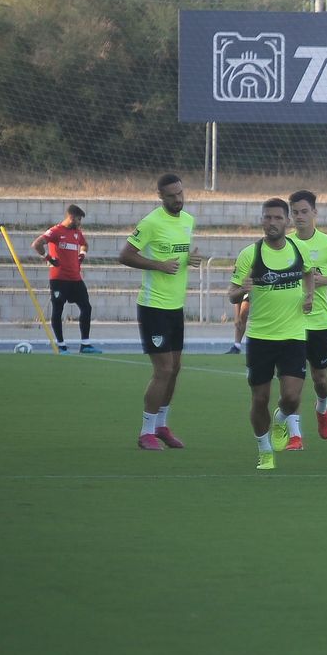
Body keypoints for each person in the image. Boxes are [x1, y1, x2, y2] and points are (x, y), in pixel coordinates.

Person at [228, 199, 316, 470]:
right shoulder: (250, 254)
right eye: (267, 218)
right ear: (261, 221)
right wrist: (243, 289)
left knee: (291, 398)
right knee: (259, 398)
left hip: (293, 335)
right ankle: (264, 449)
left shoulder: (299, 249)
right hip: (261, 337)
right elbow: (232, 295)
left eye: (278, 218)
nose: (272, 223)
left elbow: (309, 273)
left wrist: (309, 294)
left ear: (287, 221)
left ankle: (280, 421)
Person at [119, 173, 199, 450]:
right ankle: (145, 432)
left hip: (175, 307)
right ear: (160, 197)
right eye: (171, 196)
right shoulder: (151, 222)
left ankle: (161, 426)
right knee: (163, 369)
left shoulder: (188, 221)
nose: (178, 199)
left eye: (180, 193)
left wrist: (191, 259)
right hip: (154, 307)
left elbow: (178, 257)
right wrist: (158, 265)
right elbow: (125, 255)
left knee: (175, 368)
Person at [288, 190, 327, 441]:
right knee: (292, 382)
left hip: (318, 322)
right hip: (290, 323)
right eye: (295, 212)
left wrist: (323, 280)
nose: (299, 217)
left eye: (304, 211)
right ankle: (295, 434)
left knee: (320, 378)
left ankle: (322, 408)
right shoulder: (286, 244)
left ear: (315, 212)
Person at [32, 203, 100, 354]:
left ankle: (85, 344)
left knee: (86, 308)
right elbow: (37, 244)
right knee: (58, 310)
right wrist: (47, 257)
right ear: (71, 217)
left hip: (75, 278)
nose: (80, 223)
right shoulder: (55, 231)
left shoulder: (77, 233)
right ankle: (61, 345)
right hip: (59, 279)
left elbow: (85, 245)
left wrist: (82, 255)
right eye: (78, 219)